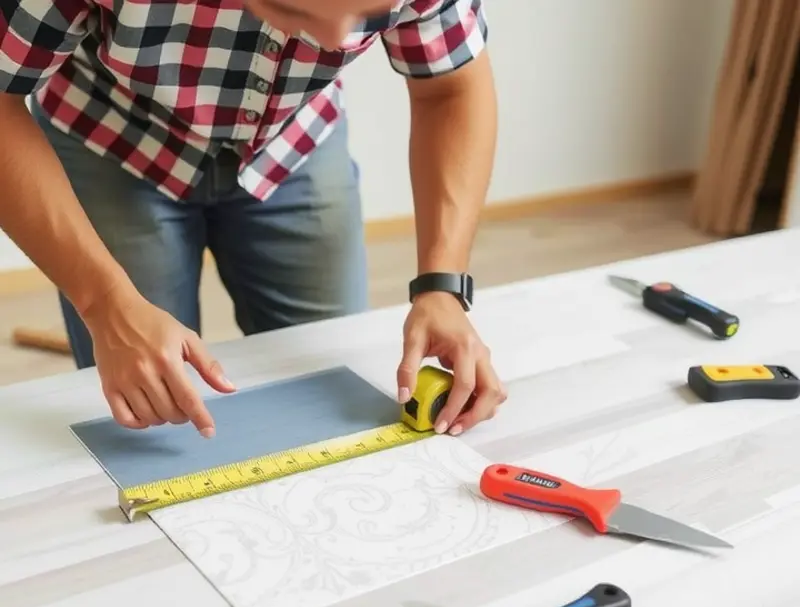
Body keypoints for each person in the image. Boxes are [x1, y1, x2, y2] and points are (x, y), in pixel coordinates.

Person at [0, 0, 507, 439]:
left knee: (330, 383)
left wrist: (441, 285)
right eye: (300, 8)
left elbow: (450, 88)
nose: (336, 38)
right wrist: (104, 303)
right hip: (110, 134)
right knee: (148, 403)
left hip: (293, 138)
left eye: (367, 11)